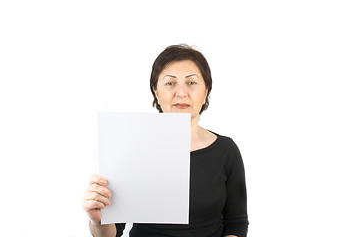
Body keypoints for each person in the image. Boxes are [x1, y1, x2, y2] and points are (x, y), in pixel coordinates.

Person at [82, 44, 249, 237]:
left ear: (206, 92)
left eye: (191, 83)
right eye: (170, 83)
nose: (181, 93)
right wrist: (97, 219)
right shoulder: (132, 148)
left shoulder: (226, 150)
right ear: (156, 92)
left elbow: (236, 223)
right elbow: (111, 232)